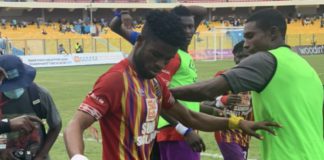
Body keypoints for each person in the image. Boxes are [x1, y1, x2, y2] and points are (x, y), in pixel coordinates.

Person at [64, 10, 280, 160]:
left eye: (166, 60)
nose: (159, 64)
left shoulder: (155, 82)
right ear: (139, 41)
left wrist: (237, 123)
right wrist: (79, 156)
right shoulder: (116, 80)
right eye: (155, 55)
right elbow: (75, 125)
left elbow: (190, 117)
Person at [170, 8, 324, 160]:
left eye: (250, 36)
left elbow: (207, 91)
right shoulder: (306, 68)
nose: (245, 44)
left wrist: (162, 92)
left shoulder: (266, 60)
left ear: (273, 33)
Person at [110, 6, 207, 160]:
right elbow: (157, 96)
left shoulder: (177, 51)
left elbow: (201, 11)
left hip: (175, 125)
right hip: (174, 128)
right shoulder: (170, 56)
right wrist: (184, 130)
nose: (189, 31)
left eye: (191, 26)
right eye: (183, 27)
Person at [0, 55, 62, 160]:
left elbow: (56, 126)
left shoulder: (39, 94)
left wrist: (40, 156)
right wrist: (2, 152)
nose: (14, 89)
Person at [200, 41, 253, 160]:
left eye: (246, 56)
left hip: (245, 131)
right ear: (234, 57)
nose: (242, 60)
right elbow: (204, 102)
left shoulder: (257, 79)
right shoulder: (224, 76)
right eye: (239, 57)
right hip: (226, 132)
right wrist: (222, 100)